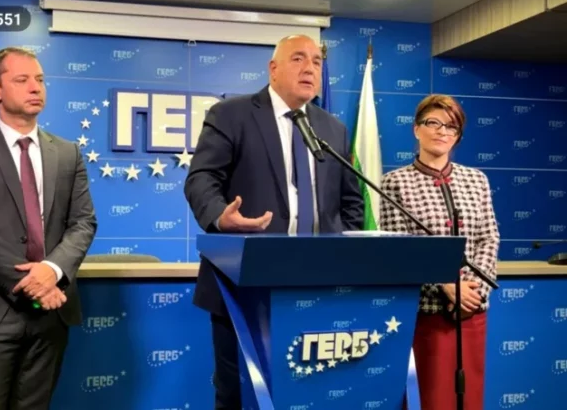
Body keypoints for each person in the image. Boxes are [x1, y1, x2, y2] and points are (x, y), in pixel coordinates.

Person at [184, 34, 364, 409]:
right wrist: (220, 216)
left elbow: (350, 203)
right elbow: (201, 179)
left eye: (317, 61)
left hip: (317, 287)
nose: (310, 68)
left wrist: (344, 259)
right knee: (239, 396)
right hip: (244, 286)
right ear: (273, 68)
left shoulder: (333, 129)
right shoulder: (231, 114)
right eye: (298, 58)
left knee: (309, 394)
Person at [0, 46, 97, 410]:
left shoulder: (68, 152)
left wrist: (52, 271)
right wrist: (35, 282)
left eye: (39, 79)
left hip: (51, 315)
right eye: (22, 80)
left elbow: (83, 221)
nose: (35, 88)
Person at [379, 94, 500, 410]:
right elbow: (400, 251)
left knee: (469, 397)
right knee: (432, 398)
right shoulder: (394, 183)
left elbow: (488, 239)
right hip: (427, 313)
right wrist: (445, 285)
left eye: (451, 126)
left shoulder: (477, 180)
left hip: (471, 310)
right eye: (433, 123)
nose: (442, 131)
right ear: (416, 129)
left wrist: (473, 292)